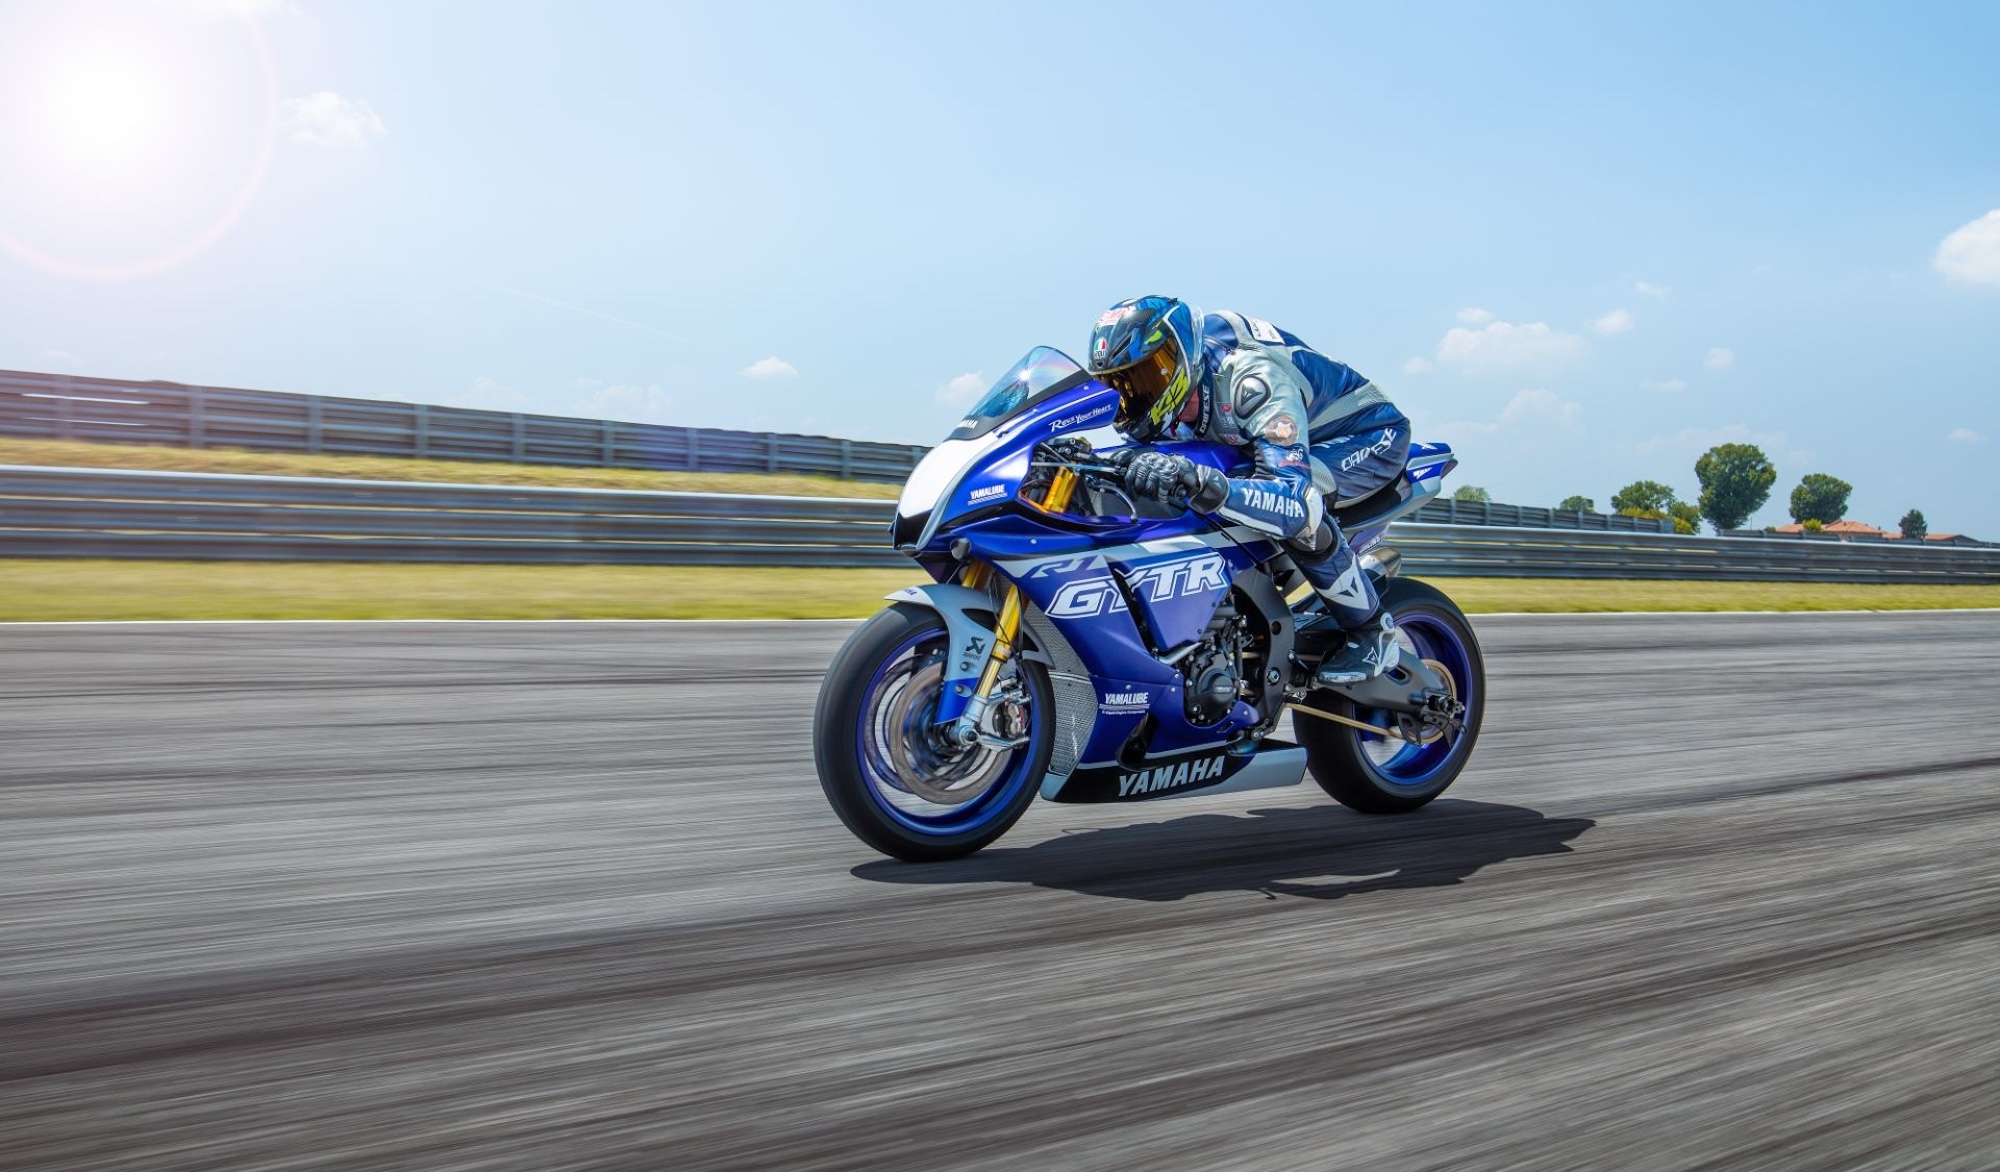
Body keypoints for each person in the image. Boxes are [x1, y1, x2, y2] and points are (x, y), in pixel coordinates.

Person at [1086, 295, 1409, 684]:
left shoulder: (1249, 380)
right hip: (1261, 438)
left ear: (1183, 354)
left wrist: (1200, 482)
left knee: (1302, 509)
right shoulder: (1173, 404)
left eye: (1150, 375)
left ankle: (1372, 632)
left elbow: (1291, 499)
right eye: (1123, 385)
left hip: (1365, 436)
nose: (1138, 395)